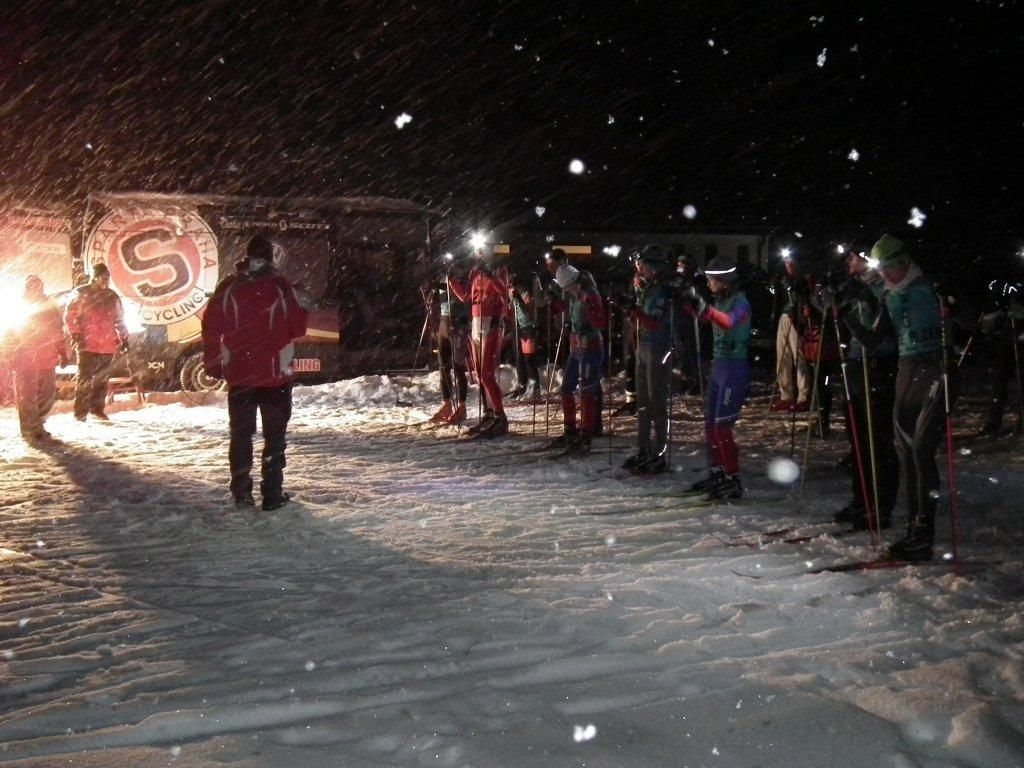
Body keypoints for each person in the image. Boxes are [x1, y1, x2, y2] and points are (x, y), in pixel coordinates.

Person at [836, 234, 958, 561]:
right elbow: (873, 340)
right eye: (885, 269)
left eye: (894, 267)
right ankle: (913, 528)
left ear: (905, 262)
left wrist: (955, 305)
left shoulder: (928, 288)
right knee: (905, 450)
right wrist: (844, 314)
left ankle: (923, 530)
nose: (890, 275)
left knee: (921, 450)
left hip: (935, 368)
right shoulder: (889, 295)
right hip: (907, 369)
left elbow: (965, 321)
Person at [202, 236, 309, 510]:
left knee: (241, 435)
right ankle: (272, 494)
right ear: (271, 259)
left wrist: (213, 361)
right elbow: (298, 329)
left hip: (240, 375)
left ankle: (241, 492)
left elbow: (211, 325)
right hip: (276, 376)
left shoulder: (228, 287)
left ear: (247, 257)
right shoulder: (281, 286)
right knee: (274, 438)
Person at [824, 247, 899, 530]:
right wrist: (828, 301)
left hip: (879, 365)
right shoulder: (858, 286)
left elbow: (873, 337)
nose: (848, 262)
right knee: (858, 439)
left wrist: (843, 313)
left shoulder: (883, 288)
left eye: (853, 256)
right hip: (857, 365)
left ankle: (880, 506)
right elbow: (836, 314)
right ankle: (862, 500)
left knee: (877, 440)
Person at [685, 256, 752, 499]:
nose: (710, 283)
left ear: (724, 279)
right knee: (710, 427)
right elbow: (705, 316)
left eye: (712, 279)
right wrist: (689, 303)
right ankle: (718, 473)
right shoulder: (721, 300)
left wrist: (706, 309)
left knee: (722, 427)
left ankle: (733, 478)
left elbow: (728, 322)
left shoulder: (740, 301)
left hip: (734, 370)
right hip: (718, 368)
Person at [622, 245, 675, 474]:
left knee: (656, 401)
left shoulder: (662, 291)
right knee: (642, 401)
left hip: (658, 347)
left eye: (643, 265)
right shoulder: (647, 288)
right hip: (644, 346)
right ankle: (644, 449)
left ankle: (660, 452)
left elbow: (654, 322)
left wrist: (635, 311)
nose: (640, 269)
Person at [448, 245, 511, 437]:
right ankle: (489, 413)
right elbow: (466, 296)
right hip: (476, 322)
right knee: (479, 375)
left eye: (482, 251)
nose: (479, 255)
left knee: (486, 374)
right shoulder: (475, 271)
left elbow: (504, 294)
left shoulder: (498, 270)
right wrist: (452, 281)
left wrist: (491, 275)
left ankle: (501, 417)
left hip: (491, 323)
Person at [548, 264, 606, 452]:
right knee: (566, 387)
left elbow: (600, 321)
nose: (565, 291)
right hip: (576, 348)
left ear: (572, 283)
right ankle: (570, 429)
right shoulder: (574, 294)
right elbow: (572, 311)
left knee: (587, 392)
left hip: (590, 347)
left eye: (564, 288)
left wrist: (588, 303)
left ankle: (586, 434)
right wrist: (557, 302)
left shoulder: (590, 293)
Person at [63, 262, 129, 422]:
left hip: (107, 346)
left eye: (106, 278)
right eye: (101, 277)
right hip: (87, 345)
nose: (104, 281)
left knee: (101, 381)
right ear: (93, 278)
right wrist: (76, 334)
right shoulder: (81, 293)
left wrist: (124, 338)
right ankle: (80, 413)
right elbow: (69, 315)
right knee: (85, 380)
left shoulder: (112, 296)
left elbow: (119, 319)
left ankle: (97, 409)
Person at [6, 275, 67, 441]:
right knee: (28, 395)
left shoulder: (49, 306)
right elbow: (9, 332)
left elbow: (58, 329)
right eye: (32, 287)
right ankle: (29, 429)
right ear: (27, 288)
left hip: (46, 356)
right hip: (25, 357)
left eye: (38, 286)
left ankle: (38, 423)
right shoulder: (18, 306)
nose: (35, 289)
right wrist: (11, 353)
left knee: (48, 393)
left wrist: (61, 351)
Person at [976, 279, 1024, 436]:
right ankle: (993, 419)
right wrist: (1002, 291)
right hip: (1011, 327)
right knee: (1000, 374)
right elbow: (994, 287)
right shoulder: (1013, 268)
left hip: (1020, 328)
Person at [423, 273, 469, 424]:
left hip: (458, 324)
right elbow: (437, 291)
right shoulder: (442, 277)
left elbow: (465, 296)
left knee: (458, 366)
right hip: (444, 322)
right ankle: (447, 403)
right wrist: (431, 293)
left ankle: (462, 407)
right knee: (443, 366)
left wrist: (451, 280)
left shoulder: (460, 275)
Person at [771, 253, 811, 412]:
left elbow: (800, 298)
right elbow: (776, 296)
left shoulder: (803, 280)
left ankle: (804, 397)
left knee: (799, 356)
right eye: (787, 263)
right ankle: (785, 395)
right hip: (784, 317)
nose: (789, 266)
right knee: (782, 357)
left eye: (792, 263)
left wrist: (790, 288)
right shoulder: (785, 279)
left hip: (796, 319)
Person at [508, 278, 540, 401]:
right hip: (517, 329)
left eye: (512, 286)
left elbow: (529, 314)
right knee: (519, 359)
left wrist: (518, 300)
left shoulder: (527, 295)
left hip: (528, 329)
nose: (510, 289)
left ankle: (534, 387)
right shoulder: (512, 297)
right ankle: (522, 385)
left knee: (529, 358)